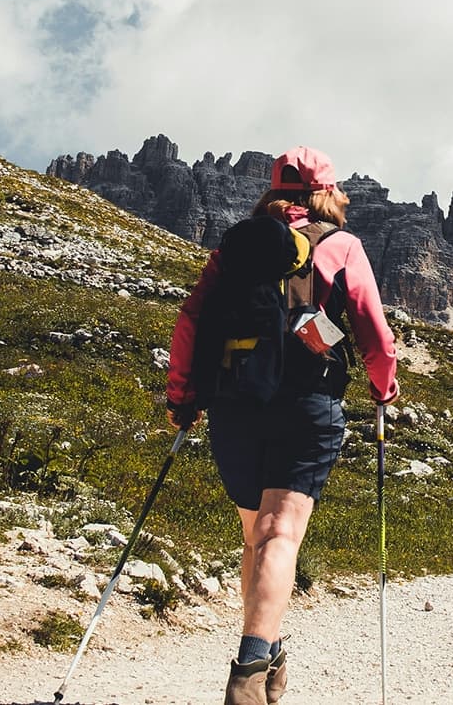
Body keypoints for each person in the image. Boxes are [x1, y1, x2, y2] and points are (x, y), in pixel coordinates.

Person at [166, 146, 399, 705]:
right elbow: (371, 326)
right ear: (325, 193)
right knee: (280, 534)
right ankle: (248, 669)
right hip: (306, 402)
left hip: (235, 404)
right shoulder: (340, 246)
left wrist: (183, 396)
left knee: (258, 535)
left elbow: (191, 318)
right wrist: (383, 386)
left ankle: (268, 655)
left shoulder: (233, 251)